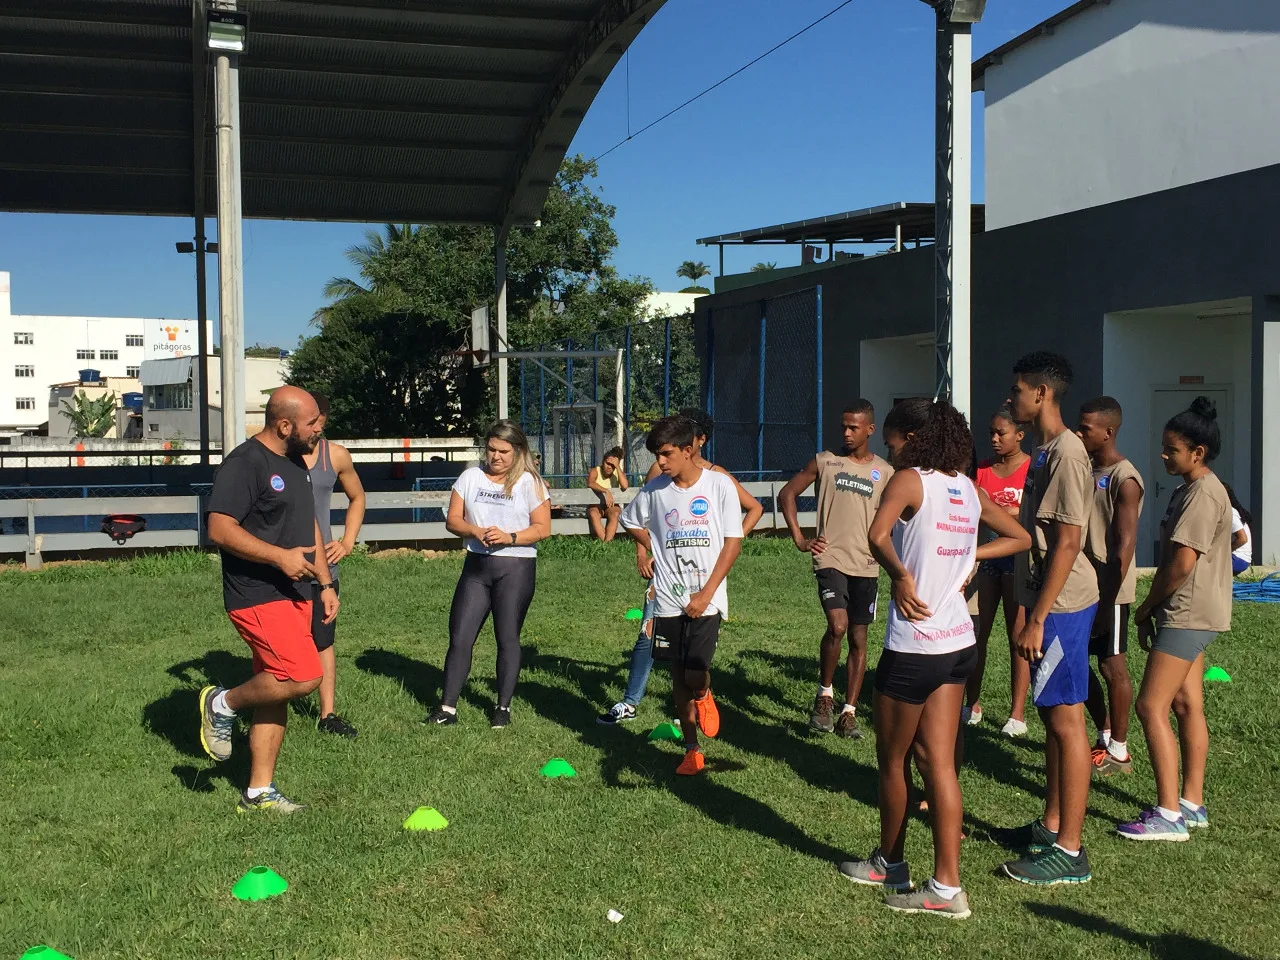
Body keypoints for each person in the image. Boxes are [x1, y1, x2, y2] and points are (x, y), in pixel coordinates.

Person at [839, 398, 1030, 920]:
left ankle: (890, 863)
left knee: (893, 761)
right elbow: (1020, 536)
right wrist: (971, 557)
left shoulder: (910, 480)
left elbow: (877, 536)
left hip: (914, 645)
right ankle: (947, 887)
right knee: (940, 764)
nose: (892, 447)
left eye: (898, 438)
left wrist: (901, 576)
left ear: (914, 439)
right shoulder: (968, 487)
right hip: (957, 644)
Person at [199, 386, 338, 813]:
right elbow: (219, 529)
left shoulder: (296, 462)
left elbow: (308, 523)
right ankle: (220, 703)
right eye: (313, 422)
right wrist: (279, 558)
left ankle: (258, 792)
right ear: (284, 425)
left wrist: (324, 581)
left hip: (297, 592)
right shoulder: (245, 463)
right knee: (303, 675)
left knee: (275, 690)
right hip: (256, 595)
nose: (320, 429)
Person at [996, 352, 1098, 886]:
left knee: (1065, 720)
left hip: (1060, 605)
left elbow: (1068, 542)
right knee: (1053, 719)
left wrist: (1036, 617)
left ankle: (1071, 851)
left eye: (1017, 391)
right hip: (1047, 600)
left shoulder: (1067, 453)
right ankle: (1053, 823)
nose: (1011, 399)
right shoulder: (1044, 451)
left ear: (1041, 395)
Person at [597, 409, 761, 725]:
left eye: (692, 436)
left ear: (697, 442)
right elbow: (642, 517)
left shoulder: (718, 478)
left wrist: (728, 539)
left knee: (693, 661)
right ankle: (632, 702)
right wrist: (644, 552)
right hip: (666, 578)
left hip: (703, 579)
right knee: (649, 636)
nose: (662, 459)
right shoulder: (660, 478)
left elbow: (753, 509)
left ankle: (692, 702)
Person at [1118, 397, 1232, 840]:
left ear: (1198, 452)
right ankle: (1192, 802)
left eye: (1172, 449)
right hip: (1193, 611)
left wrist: (1146, 607)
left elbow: (1182, 564)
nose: (1163, 455)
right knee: (1186, 704)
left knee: (1151, 706)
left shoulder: (1203, 493)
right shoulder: (1193, 488)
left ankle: (1168, 815)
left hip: (1187, 612)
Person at [619, 415, 744, 774]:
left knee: (695, 670)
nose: (660, 462)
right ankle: (691, 749)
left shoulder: (718, 486)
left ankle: (704, 694)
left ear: (689, 450)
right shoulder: (655, 490)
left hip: (706, 596)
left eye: (667, 453)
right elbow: (630, 521)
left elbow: (733, 543)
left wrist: (707, 593)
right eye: (658, 455)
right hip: (669, 598)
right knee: (676, 672)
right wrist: (651, 544)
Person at [778, 399, 894, 739]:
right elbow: (788, 493)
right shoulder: (826, 462)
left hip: (867, 564)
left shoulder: (885, 472)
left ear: (870, 429)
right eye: (843, 425)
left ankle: (849, 712)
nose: (846, 432)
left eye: (853, 427)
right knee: (838, 625)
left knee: (859, 636)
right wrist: (800, 537)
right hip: (830, 559)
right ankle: (824, 695)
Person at [425, 421, 551, 728]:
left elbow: (543, 529)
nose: (496, 456)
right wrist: (474, 530)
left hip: (515, 568)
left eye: (503, 451)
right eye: (491, 449)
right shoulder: (471, 476)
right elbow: (453, 520)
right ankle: (447, 708)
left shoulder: (530, 483)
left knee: (507, 637)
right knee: (460, 636)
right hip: (477, 567)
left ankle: (502, 708)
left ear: (518, 451)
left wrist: (510, 537)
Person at [1075, 397, 1144, 775]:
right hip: (1079, 585)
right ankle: (1103, 734)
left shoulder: (1125, 478)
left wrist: (1106, 601)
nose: (1080, 432)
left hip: (1109, 589)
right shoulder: (1083, 467)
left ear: (1108, 431)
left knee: (1111, 665)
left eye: (1086, 428)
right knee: (1077, 662)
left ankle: (1120, 750)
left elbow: (1123, 548)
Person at [303, 395, 367, 738]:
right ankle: (271, 705)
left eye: (319, 421)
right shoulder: (278, 454)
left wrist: (347, 541)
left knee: (323, 641)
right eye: (309, 422)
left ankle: (327, 715)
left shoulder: (336, 455)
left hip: (324, 570)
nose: (315, 428)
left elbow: (358, 497)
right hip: (280, 567)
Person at [967, 406, 1032, 736]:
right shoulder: (982, 470)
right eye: (990, 432)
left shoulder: (1032, 469)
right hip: (986, 559)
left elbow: (1033, 512)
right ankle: (972, 703)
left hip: (1019, 560)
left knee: (1018, 636)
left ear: (1019, 435)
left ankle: (1016, 714)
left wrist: (1004, 511)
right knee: (978, 632)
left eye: (1001, 433)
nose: (993, 439)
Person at [586, 446, 629, 542]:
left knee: (616, 513)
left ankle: (607, 543)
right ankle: (605, 543)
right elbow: (591, 483)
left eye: (613, 465)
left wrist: (617, 467)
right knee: (593, 513)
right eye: (607, 463)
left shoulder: (618, 472)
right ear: (603, 462)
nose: (610, 467)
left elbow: (625, 486)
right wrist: (606, 491)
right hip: (596, 505)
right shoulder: (595, 471)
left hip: (611, 506)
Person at [1224, 483, 1252, 576]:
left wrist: (1224, 552)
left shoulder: (1230, 512)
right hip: (1237, 558)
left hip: (1238, 558)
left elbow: (1242, 539)